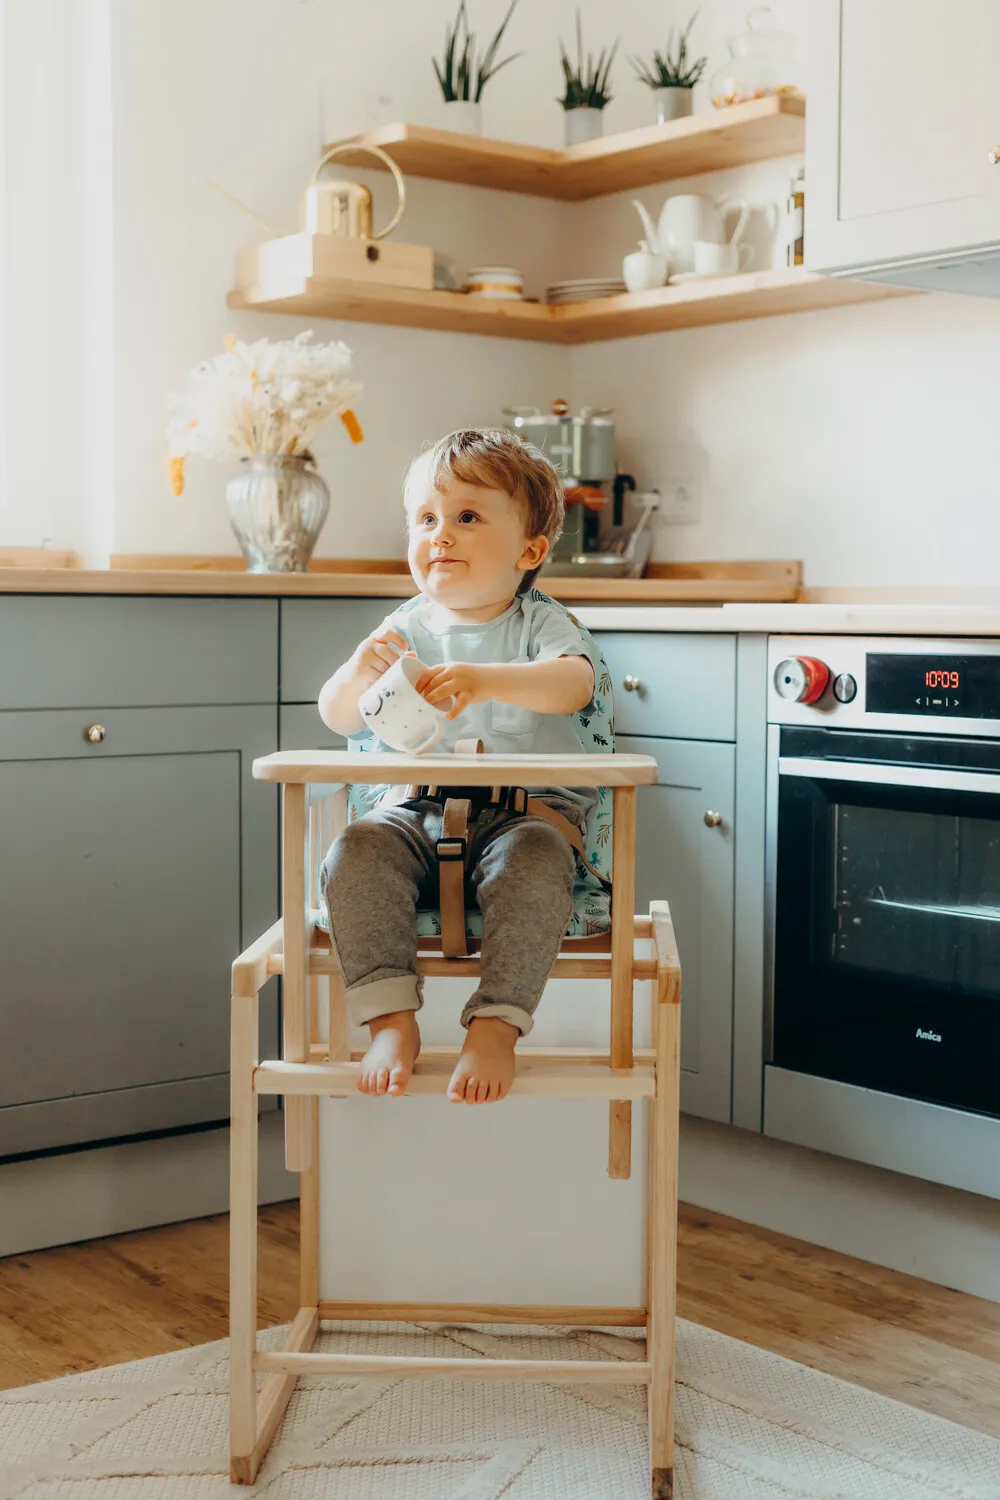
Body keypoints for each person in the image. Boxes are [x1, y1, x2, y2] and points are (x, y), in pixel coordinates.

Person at [317, 427, 604, 1105]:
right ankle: (390, 1018)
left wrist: (487, 678)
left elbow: (574, 685)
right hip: (411, 812)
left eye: (467, 517)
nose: (439, 534)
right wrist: (357, 672)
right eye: (425, 518)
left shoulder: (542, 624)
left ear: (529, 550)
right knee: (354, 852)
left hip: (524, 816)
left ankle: (498, 1024)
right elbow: (337, 715)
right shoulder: (403, 627)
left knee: (534, 867)